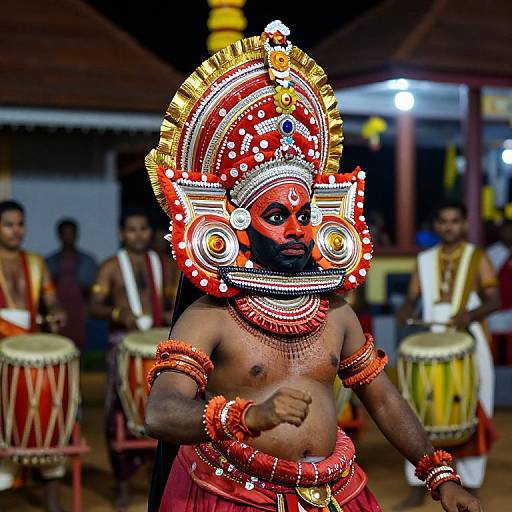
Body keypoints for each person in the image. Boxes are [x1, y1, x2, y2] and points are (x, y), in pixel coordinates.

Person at [143, 21, 481, 512]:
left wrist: (440, 476)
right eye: (277, 216)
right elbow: (161, 411)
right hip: (234, 496)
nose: (297, 230)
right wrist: (245, 416)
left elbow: (383, 399)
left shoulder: (335, 312)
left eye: (305, 215)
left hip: (334, 494)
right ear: (239, 225)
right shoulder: (212, 316)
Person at [396, 199, 500, 509]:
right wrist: (403, 311)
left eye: (455, 220)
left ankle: (472, 482)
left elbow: (494, 300)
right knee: (418, 411)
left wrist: (470, 314)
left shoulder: (477, 258)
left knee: (474, 409)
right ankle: (419, 484)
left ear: (465, 224)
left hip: (469, 342)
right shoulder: (424, 260)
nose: (449, 226)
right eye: (443, 221)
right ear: (436, 226)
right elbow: (412, 298)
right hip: (431, 341)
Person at [88, 209, 174, 511]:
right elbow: (94, 305)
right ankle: (123, 484)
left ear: (150, 232)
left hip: (159, 345)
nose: (138, 234)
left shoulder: (164, 265)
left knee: (169, 408)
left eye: (143, 228)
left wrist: (169, 314)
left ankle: (159, 477)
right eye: (131, 229)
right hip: (123, 346)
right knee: (118, 415)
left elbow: (174, 300)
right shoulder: (111, 267)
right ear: (121, 234)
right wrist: (119, 314)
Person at [0, 200, 67, 512]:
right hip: (4, 356)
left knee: (51, 412)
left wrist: (55, 315)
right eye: (9, 224)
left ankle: (52, 496)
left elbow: (50, 302)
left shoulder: (37, 263)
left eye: (20, 224)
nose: (17, 230)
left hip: (30, 354)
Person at [46, 218, 97, 349]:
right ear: (59, 235)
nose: (68, 237)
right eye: (65, 233)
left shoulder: (88, 261)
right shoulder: (49, 262)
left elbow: (94, 292)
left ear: (76, 234)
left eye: (71, 233)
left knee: (78, 349)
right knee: (58, 348)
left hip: (79, 312)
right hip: (58, 311)